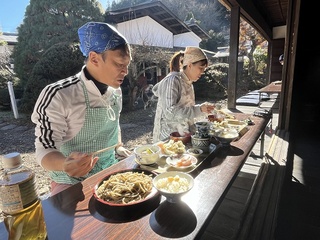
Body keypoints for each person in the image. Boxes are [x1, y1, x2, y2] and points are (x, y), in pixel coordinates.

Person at [31, 22, 132, 195]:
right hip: (71, 184)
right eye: (119, 64)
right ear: (94, 58)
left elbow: (114, 122)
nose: (126, 71)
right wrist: (65, 164)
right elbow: (44, 149)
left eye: (127, 65)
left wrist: (118, 146)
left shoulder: (116, 90)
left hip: (109, 173)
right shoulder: (59, 94)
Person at [152, 46, 215, 143]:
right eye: (200, 68)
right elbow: (170, 113)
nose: (202, 72)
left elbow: (187, 113)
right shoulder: (172, 80)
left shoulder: (189, 83)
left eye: (204, 69)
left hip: (184, 136)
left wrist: (195, 131)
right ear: (189, 65)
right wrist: (199, 109)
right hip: (168, 139)